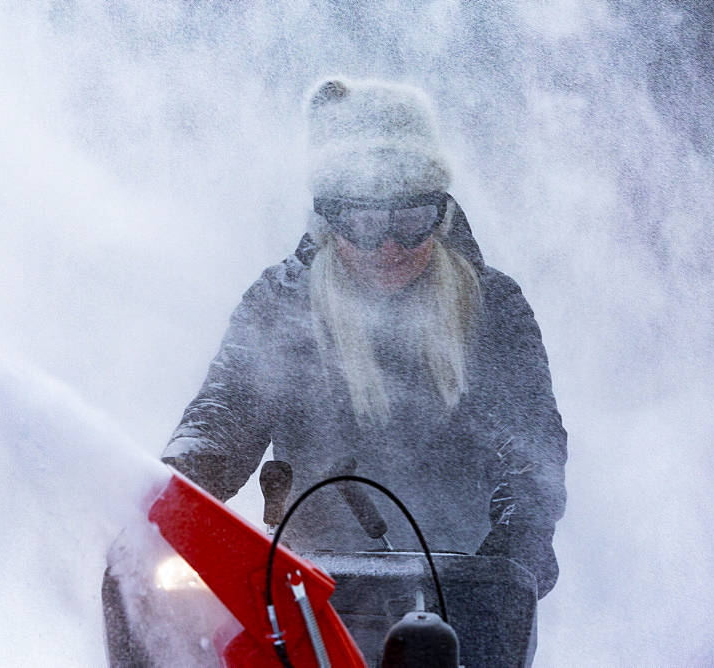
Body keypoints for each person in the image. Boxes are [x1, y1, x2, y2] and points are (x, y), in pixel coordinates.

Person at [161, 77, 567, 600]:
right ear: (328, 219)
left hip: (465, 586)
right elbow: (226, 412)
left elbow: (529, 438)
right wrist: (177, 496)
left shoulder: (493, 306)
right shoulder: (283, 301)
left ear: (439, 213)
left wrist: (522, 536)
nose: (389, 246)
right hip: (310, 593)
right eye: (363, 222)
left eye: (412, 218)